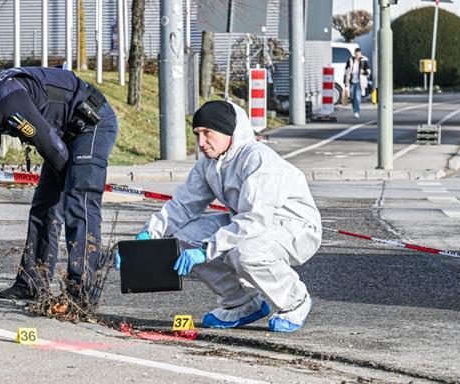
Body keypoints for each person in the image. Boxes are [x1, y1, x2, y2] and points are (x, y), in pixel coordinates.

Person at [0, 67, 118, 304]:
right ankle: (31, 283)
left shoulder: (7, 101)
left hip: (92, 124)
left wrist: (76, 183)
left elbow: (49, 144)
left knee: (79, 200)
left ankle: (82, 294)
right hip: (62, 135)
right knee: (44, 207)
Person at [132, 100, 321, 333]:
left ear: (228, 131)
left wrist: (206, 249)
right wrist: (149, 233)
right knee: (183, 237)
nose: (201, 142)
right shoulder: (209, 164)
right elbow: (183, 204)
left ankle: (296, 300)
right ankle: (242, 302)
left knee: (246, 253)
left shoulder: (258, 159)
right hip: (249, 222)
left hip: (294, 228)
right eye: (197, 134)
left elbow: (255, 219)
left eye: (207, 133)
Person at [344, 46, 369, 119]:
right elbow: (346, 71)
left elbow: (368, 71)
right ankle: (355, 109)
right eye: (356, 54)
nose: (357, 55)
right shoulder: (350, 60)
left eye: (359, 54)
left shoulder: (364, 61)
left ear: (360, 54)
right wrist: (345, 81)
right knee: (351, 96)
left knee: (357, 97)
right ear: (354, 53)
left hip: (359, 82)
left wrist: (363, 71)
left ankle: (356, 112)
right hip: (351, 81)